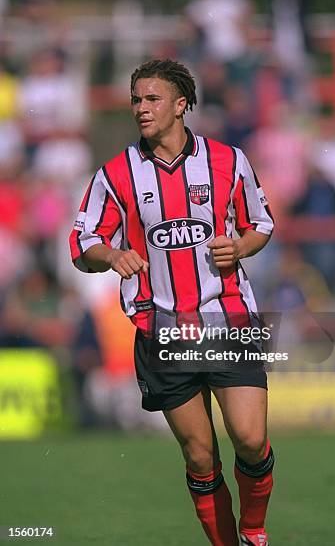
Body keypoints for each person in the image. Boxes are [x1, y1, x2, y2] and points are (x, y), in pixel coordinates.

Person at [69, 59, 275, 546]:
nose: (142, 108)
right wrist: (112, 254)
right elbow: (81, 244)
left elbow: (260, 224)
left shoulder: (229, 160)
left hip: (228, 320)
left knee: (248, 439)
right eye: (137, 99)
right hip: (163, 331)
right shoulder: (116, 173)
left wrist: (240, 246)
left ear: (182, 105)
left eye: (153, 98)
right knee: (200, 456)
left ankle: (254, 529)